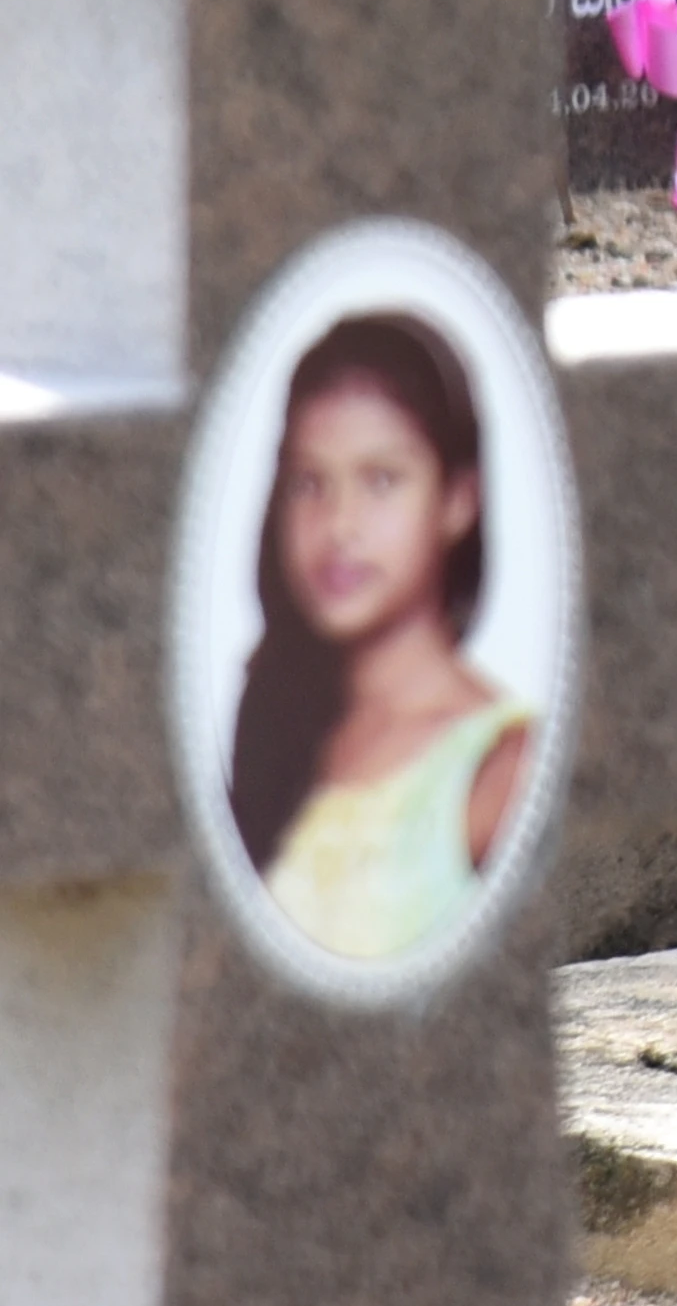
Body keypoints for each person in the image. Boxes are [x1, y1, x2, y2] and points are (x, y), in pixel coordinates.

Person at [226, 316, 539, 961]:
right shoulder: (282, 730)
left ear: (457, 498)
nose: (339, 526)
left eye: (380, 480)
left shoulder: (499, 770)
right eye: (310, 483)